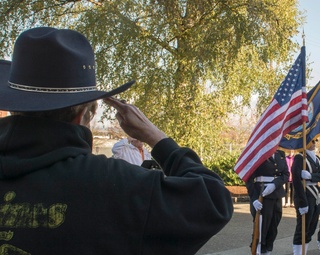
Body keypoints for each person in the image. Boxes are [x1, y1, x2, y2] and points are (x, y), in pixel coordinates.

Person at [0, 27, 233, 255]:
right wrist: (155, 136)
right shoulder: (115, 186)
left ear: (14, 107)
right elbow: (213, 202)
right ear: (84, 114)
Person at [291, 139, 320, 255]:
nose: (314, 143)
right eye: (311, 141)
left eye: (315, 141)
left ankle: (304, 252)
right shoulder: (299, 158)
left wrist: (311, 176)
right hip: (304, 195)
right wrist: (302, 202)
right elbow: (296, 180)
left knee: (311, 227)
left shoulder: (317, 159)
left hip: (315, 195)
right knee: (302, 228)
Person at [246, 149, 289, 255]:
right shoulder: (258, 153)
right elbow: (249, 178)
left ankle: (267, 251)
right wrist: (254, 198)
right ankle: (257, 251)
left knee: (274, 226)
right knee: (261, 227)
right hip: (262, 194)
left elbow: (285, 174)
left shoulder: (280, 154)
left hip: (276, 193)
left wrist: (275, 184)